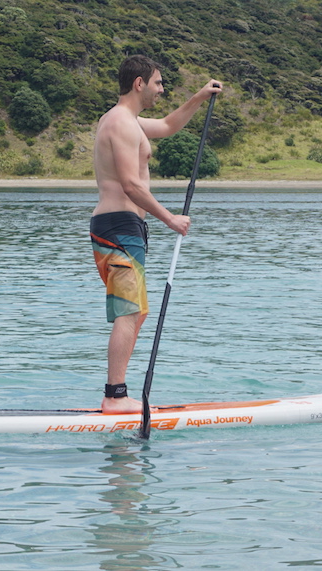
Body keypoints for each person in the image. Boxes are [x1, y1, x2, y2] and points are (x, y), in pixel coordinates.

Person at [90, 55, 223, 414]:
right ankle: (114, 396)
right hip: (117, 226)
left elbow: (166, 125)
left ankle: (118, 395)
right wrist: (170, 219)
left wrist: (198, 97)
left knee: (138, 312)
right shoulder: (119, 122)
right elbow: (131, 184)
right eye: (158, 83)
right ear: (139, 83)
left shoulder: (129, 121)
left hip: (127, 228)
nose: (161, 90)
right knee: (129, 311)